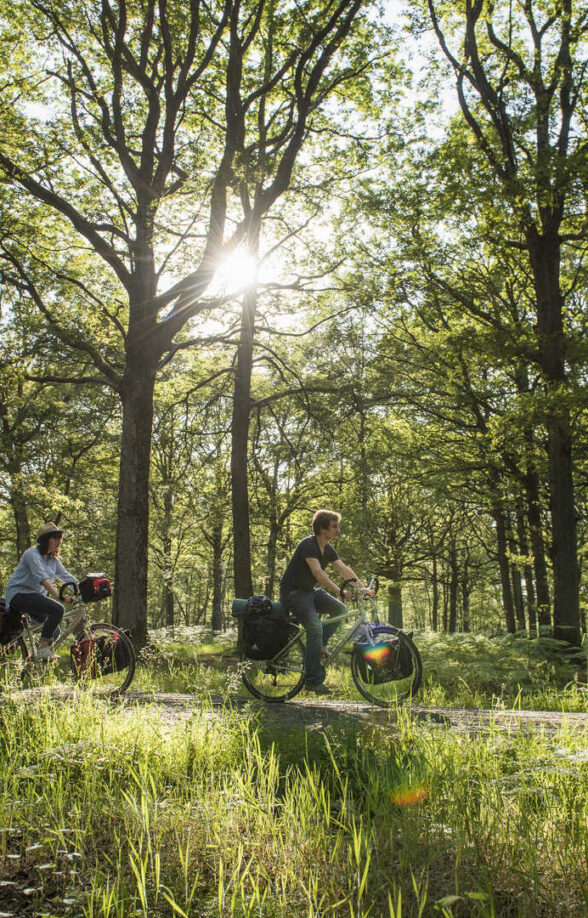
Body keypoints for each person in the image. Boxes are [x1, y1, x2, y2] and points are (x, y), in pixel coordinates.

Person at [280, 509, 373, 695]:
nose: (338, 530)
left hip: (309, 592)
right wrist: (339, 591)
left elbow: (344, 570)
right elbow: (318, 573)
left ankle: (319, 645)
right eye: (334, 527)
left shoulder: (328, 548)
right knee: (314, 628)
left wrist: (362, 589)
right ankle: (313, 680)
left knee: (340, 609)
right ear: (322, 529)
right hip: (294, 593)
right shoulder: (308, 545)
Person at [5, 522, 77, 661]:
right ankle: (43, 648)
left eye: (60, 538)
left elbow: (66, 576)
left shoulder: (53, 560)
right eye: (55, 538)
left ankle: (34, 657)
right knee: (57, 609)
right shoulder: (31, 554)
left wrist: (81, 589)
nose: (59, 541)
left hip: (34, 598)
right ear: (45, 540)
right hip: (18, 595)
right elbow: (42, 578)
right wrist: (59, 596)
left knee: (54, 630)